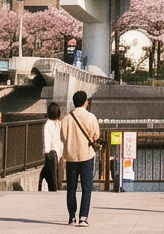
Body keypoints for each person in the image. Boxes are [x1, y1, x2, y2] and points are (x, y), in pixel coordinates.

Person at [58, 90, 101, 227]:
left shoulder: (66, 119)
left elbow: (63, 138)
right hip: (87, 155)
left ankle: (71, 217)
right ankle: (83, 217)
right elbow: (96, 136)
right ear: (85, 102)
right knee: (86, 188)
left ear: (74, 102)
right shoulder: (91, 117)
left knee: (71, 188)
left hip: (71, 156)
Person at [38, 102, 65, 193]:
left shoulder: (48, 124)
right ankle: (57, 188)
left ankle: (52, 189)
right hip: (59, 154)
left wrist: (46, 152)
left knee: (51, 176)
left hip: (51, 153)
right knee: (56, 175)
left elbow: (47, 139)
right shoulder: (60, 124)